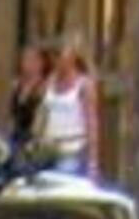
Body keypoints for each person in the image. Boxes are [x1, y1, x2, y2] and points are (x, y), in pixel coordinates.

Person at [40, 44, 101, 177]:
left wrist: (93, 162)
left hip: (71, 149)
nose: (57, 60)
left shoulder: (83, 85)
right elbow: (44, 114)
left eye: (60, 55)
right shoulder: (49, 81)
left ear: (72, 57)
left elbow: (91, 123)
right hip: (48, 149)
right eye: (54, 56)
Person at [7, 43, 52, 156]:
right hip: (17, 136)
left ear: (42, 63)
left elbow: (44, 115)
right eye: (25, 59)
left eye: (32, 60)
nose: (28, 64)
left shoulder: (45, 86)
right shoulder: (17, 85)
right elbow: (13, 113)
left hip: (34, 137)